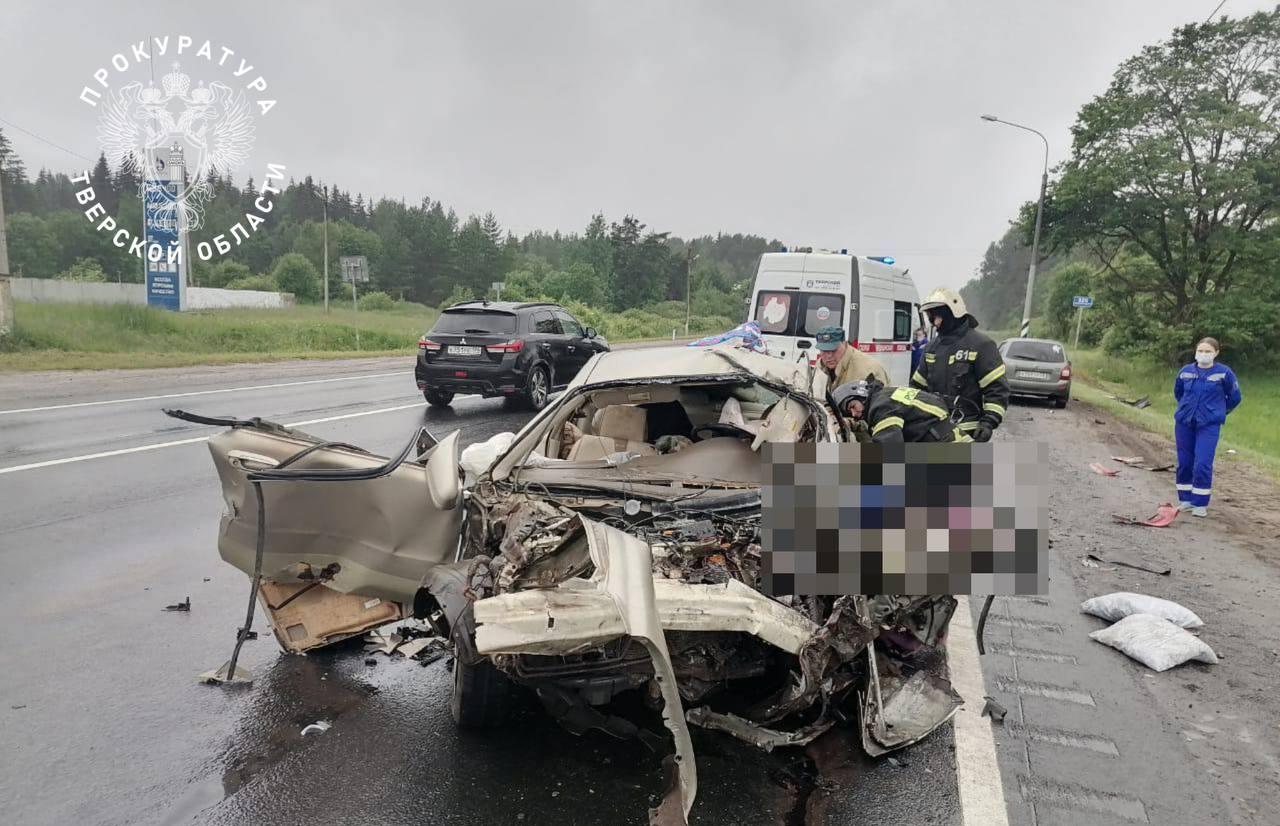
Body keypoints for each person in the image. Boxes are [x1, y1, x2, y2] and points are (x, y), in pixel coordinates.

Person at [911, 288, 1010, 442]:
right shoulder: (931, 348)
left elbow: (997, 389)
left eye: (937, 317)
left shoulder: (981, 345)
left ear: (953, 312)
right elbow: (916, 388)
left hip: (966, 432)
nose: (934, 323)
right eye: (930, 318)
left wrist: (988, 421)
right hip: (933, 430)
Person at [1173, 337, 1242, 517]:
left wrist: (1220, 411)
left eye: (1208, 351)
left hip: (1209, 425)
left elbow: (1235, 397)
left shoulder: (1224, 373)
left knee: (1202, 463)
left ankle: (1200, 503)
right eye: (1201, 351)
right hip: (1184, 423)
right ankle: (1185, 500)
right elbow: (1178, 393)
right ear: (1195, 352)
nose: (1203, 354)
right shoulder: (1185, 372)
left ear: (1216, 353)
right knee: (1184, 463)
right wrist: (1186, 409)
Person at [831, 379, 970, 443]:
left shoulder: (880, 407)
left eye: (852, 407)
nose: (854, 414)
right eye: (850, 414)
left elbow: (889, 445)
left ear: (861, 394)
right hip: (954, 437)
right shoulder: (886, 395)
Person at [814, 326, 889, 388]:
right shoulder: (819, 366)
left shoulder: (869, 369)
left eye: (834, 350)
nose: (829, 356)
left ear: (845, 344)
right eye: (824, 350)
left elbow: (883, 402)